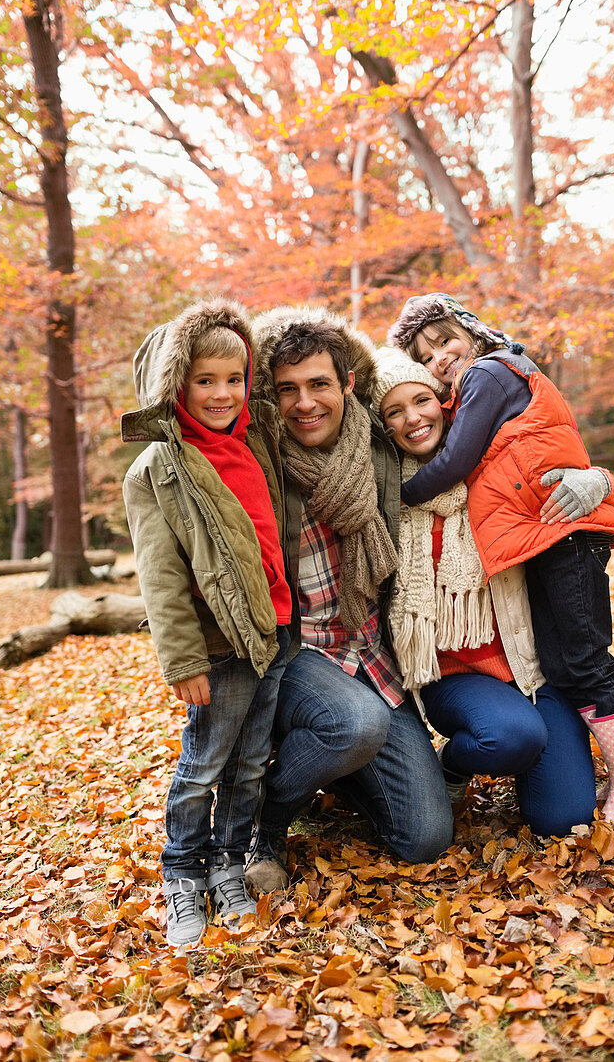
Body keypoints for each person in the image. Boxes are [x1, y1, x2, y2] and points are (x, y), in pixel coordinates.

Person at [388, 292, 614, 824]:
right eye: (424, 356)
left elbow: (482, 460)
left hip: (559, 558)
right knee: (570, 662)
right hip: (469, 664)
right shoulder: (468, 409)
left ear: (470, 330)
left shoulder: (488, 376)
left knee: (582, 662)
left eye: (445, 340)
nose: (440, 358)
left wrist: (600, 480)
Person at [242, 305, 455, 892]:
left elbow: (463, 416)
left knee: (425, 839)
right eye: (288, 390)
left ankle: (331, 766)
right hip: (296, 657)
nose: (305, 403)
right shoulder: (260, 463)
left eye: (318, 385)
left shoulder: (379, 450)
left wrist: (585, 476)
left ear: (348, 385)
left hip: (371, 652)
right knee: (357, 724)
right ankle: (268, 818)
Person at [371, 345, 598, 835]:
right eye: (394, 410)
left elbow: (560, 468)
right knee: (510, 737)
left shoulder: (491, 467)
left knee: (565, 819)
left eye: (422, 400)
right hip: (454, 674)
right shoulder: (385, 496)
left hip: (534, 665)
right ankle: (454, 765)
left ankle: (542, 751)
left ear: (444, 401)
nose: (413, 418)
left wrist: (598, 480)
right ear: (382, 425)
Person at [121, 298, 292, 946]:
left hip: (271, 631)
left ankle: (227, 864)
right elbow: (160, 577)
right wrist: (183, 660)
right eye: (204, 380)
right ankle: (182, 877)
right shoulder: (159, 469)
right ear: (176, 384)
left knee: (249, 766)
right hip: (217, 647)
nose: (222, 393)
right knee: (203, 767)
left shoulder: (255, 441)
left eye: (233, 379)